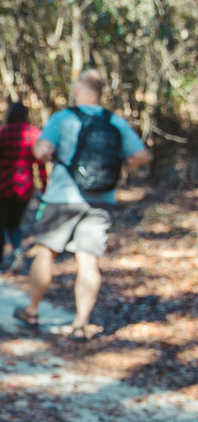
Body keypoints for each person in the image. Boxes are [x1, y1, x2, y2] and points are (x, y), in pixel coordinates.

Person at [14, 69, 150, 340]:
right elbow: (141, 155)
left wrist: (50, 153)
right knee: (88, 261)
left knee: (45, 253)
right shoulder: (116, 122)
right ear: (101, 92)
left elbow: (40, 152)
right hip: (101, 200)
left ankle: (32, 310)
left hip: (63, 196)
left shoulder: (62, 118)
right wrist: (116, 164)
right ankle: (80, 323)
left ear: (77, 89)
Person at [0, 101, 48, 274]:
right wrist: (44, 186)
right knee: (15, 224)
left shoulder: (1, 133)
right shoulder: (35, 134)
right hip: (24, 188)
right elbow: (41, 165)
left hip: (1, 186)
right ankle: (17, 252)